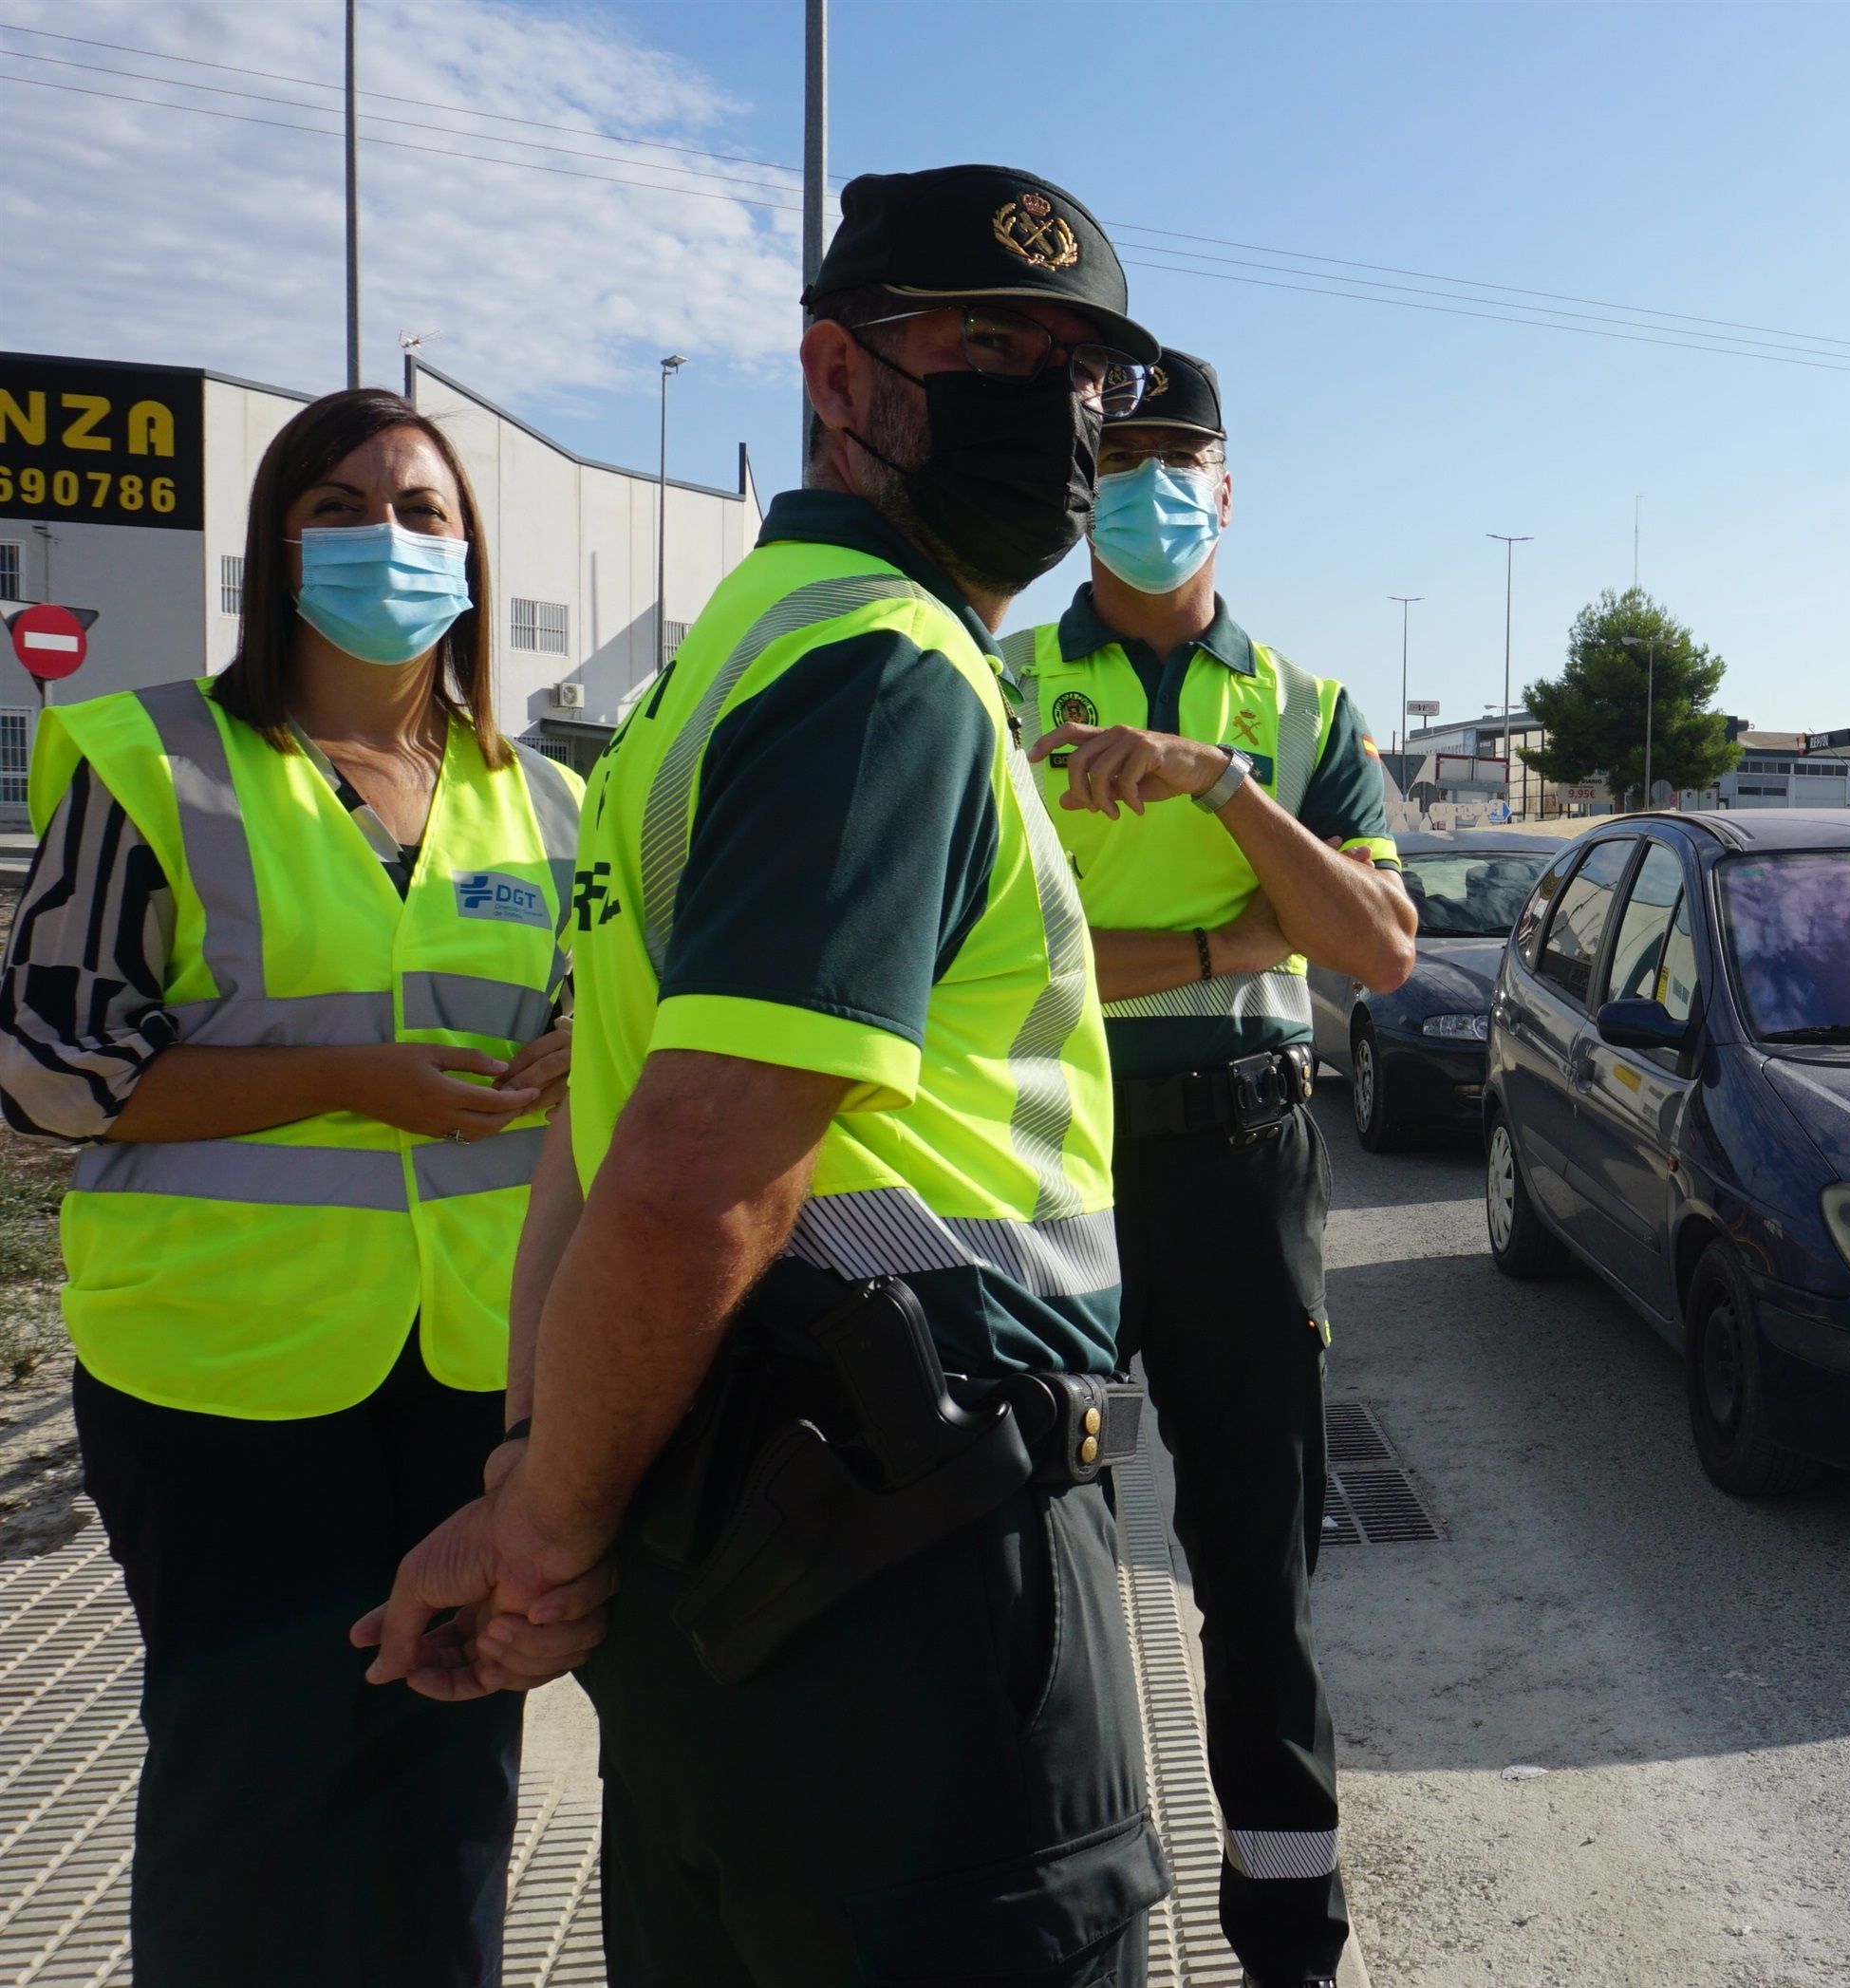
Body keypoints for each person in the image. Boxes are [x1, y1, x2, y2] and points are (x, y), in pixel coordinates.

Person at [362, 164, 1175, 1986]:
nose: (1054, 408)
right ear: (834, 373)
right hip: (921, 1597)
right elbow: (699, 1169)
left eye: (1084, 374)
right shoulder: (879, 674)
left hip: (732, 1568)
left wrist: (529, 1475)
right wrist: (542, 1526)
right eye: (987, 342)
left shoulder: (706, 681)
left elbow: (604, 1132)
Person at [0, 386, 590, 1986]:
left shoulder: (544, 802)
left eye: (421, 509)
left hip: (473, 1367)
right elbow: (49, 1065)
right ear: (275, 544)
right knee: (252, 1790)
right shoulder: (155, 757)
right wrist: (351, 1079)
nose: (386, 537)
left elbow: (583, 1041)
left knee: (453, 1775)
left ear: (470, 553)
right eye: (339, 505)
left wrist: (567, 1062)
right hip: (221, 1376)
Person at [1002, 348, 1413, 1988]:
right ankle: (1050, 1929)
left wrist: (1217, 785)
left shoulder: (1303, 711)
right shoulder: (1002, 675)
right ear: (1085, 480)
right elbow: (1001, 964)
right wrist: (1234, 932)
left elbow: (1377, 945)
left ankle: (1290, 1949)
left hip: (1247, 1171)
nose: (1156, 485)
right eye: (1128, 455)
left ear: (1230, 487)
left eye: (1186, 457)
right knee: (1029, 1573)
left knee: (1263, 1583)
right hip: (1048, 1169)